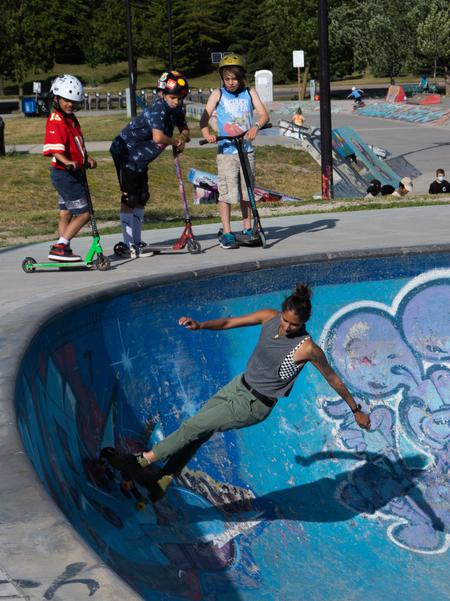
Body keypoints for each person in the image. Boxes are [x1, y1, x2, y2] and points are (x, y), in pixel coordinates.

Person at [106, 284, 371, 499]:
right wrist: (201, 325)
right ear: (282, 313)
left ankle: (140, 461)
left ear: (303, 322)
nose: (286, 327)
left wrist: (355, 410)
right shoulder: (269, 317)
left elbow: (333, 379)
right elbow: (229, 322)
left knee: (193, 426)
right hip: (237, 386)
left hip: (254, 405)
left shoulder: (307, 348)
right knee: (199, 432)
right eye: (285, 320)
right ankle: (163, 480)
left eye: (293, 325)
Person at [110, 70, 190, 252]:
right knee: (130, 198)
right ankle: (128, 243)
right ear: (162, 94)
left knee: (142, 197)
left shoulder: (176, 108)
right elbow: (158, 137)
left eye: (180, 98)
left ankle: (137, 241)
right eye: (173, 97)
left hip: (141, 159)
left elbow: (185, 128)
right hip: (126, 153)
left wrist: (182, 137)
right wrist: (175, 141)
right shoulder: (158, 109)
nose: (177, 102)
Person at [199, 54, 269, 249]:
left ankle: (247, 229)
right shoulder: (218, 94)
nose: (231, 82)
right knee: (227, 193)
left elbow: (264, 115)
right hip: (227, 152)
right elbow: (203, 120)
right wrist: (208, 134)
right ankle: (227, 232)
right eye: (227, 78)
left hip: (246, 150)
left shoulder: (249, 92)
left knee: (248, 192)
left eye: (234, 78)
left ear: (242, 77)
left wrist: (255, 127)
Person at [43, 74, 97, 262]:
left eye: (74, 101)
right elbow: (54, 148)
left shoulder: (71, 119)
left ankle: (63, 249)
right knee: (84, 213)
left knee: (65, 213)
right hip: (64, 174)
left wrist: (86, 158)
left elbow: (76, 144)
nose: (70, 104)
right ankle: (60, 247)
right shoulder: (56, 119)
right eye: (66, 100)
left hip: (71, 173)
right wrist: (67, 162)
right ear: (56, 98)